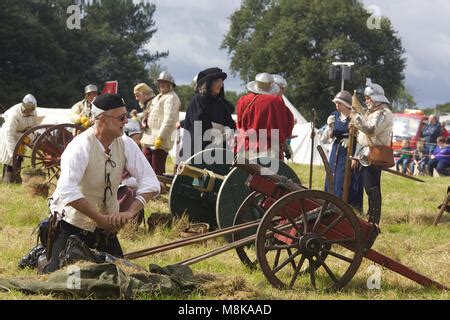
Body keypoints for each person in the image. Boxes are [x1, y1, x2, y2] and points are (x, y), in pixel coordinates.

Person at [44, 94, 160, 273]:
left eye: (126, 116)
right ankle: (44, 255)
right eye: (121, 117)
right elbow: (66, 190)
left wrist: (130, 212)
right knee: (64, 279)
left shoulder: (125, 143)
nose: (126, 120)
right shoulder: (80, 146)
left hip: (106, 231)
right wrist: (99, 219)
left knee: (119, 277)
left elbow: (151, 182)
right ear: (103, 119)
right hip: (73, 226)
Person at [351, 79, 393, 246]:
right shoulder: (370, 113)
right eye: (366, 98)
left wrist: (356, 118)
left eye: (369, 98)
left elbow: (370, 130)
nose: (367, 100)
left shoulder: (384, 113)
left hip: (374, 154)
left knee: (372, 188)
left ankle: (374, 221)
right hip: (363, 153)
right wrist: (355, 156)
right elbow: (361, 139)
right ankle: (369, 219)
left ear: (377, 98)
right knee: (366, 186)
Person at [180, 67, 236, 161]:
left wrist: (226, 132)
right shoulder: (198, 100)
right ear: (209, 83)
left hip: (217, 153)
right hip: (197, 152)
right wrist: (218, 128)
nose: (221, 85)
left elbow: (231, 125)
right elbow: (198, 124)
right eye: (218, 81)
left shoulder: (221, 103)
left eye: (222, 81)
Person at [235, 73, 294, 160]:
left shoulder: (243, 100)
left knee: (245, 173)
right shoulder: (276, 101)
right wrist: (283, 141)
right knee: (268, 173)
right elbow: (283, 126)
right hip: (269, 148)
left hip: (246, 146)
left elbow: (239, 124)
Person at [322, 91, 363, 211]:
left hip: (349, 151)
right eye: (336, 103)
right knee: (331, 177)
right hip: (336, 151)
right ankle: (330, 205)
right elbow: (325, 138)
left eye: (339, 103)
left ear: (346, 104)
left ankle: (344, 208)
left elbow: (361, 139)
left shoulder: (354, 117)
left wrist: (356, 156)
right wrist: (330, 127)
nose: (337, 106)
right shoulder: (334, 116)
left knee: (343, 179)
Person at [141, 72, 180, 175]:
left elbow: (169, 119)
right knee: (145, 167)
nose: (162, 85)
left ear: (170, 84)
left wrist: (161, 137)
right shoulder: (159, 97)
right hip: (149, 137)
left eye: (165, 83)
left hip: (160, 139)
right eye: (160, 82)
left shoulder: (171, 98)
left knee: (156, 171)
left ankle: (158, 189)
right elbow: (151, 114)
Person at [0, 94, 38, 183]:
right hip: (9, 135)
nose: (29, 112)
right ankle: (7, 179)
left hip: (22, 136)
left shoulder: (34, 113)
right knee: (10, 159)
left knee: (20, 157)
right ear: (24, 108)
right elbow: (9, 134)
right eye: (27, 110)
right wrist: (13, 154)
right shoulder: (14, 114)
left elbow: (34, 128)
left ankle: (17, 178)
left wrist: (31, 139)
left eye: (31, 110)